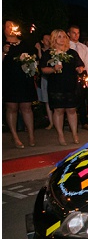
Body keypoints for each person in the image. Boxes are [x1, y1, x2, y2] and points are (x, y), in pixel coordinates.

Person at [40, 29, 85, 145]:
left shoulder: (72, 52)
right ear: (54, 38)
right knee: (58, 110)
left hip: (70, 85)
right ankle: (60, 135)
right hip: (56, 85)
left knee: (71, 109)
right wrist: (53, 69)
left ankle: (75, 134)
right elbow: (43, 69)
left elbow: (80, 65)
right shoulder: (48, 53)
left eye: (64, 36)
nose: (62, 39)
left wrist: (79, 69)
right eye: (59, 37)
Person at [4, 20, 38, 148]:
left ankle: (31, 135)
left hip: (24, 78)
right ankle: (15, 137)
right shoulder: (3, 44)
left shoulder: (25, 43)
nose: (10, 28)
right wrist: (4, 52)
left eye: (11, 25)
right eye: (7, 26)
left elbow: (34, 57)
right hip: (9, 79)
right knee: (12, 107)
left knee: (26, 107)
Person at [67, 26, 88, 130]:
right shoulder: (67, 46)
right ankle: (71, 123)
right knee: (72, 99)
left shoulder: (83, 47)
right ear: (68, 34)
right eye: (73, 33)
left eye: (78, 33)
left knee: (83, 98)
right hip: (71, 74)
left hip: (82, 74)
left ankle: (84, 122)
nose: (76, 35)